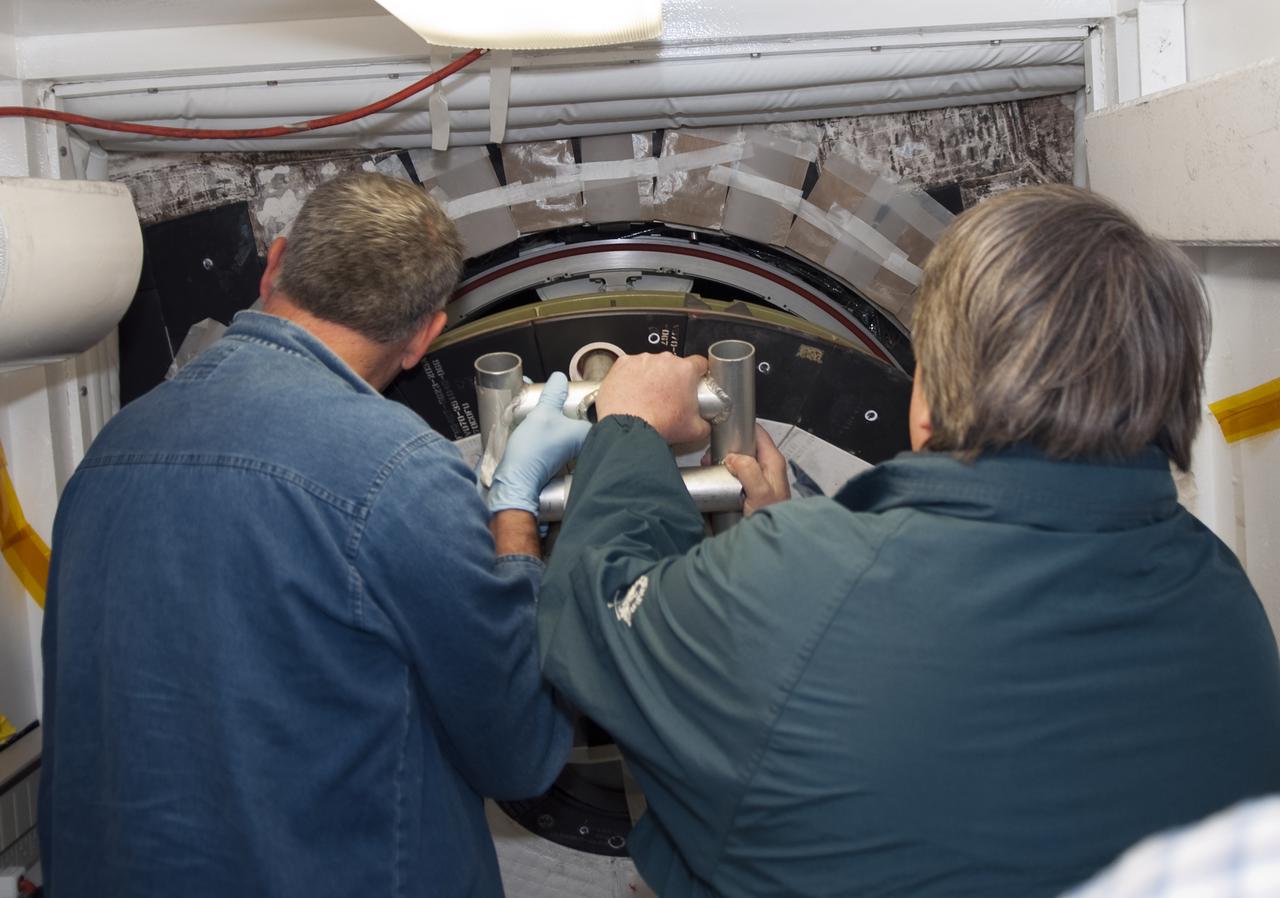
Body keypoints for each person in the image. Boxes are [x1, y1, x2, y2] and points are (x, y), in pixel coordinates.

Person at [535, 185, 1280, 897]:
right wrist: (795, 551)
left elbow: (590, 614)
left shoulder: (796, 588)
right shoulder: (1223, 597)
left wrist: (627, 426)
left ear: (926, 403)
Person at [39, 172, 584, 898]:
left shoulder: (112, 450)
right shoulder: (400, 472)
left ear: (277, 263)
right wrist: (515, 513)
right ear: (426, 334)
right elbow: (521, 750)